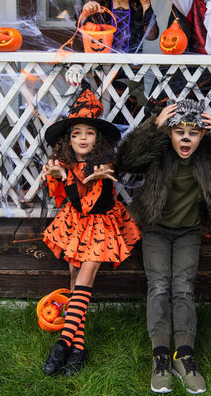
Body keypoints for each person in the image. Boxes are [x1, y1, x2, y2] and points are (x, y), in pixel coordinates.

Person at [116, 98, 211, 395]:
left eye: (192, 133)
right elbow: (126, 160)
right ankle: (161, 356)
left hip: (188, 231)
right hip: (155, 228)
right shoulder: (159, 150)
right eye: (179, 132)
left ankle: (185, 354)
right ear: (170, 134)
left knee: (183, 286)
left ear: (201, 135)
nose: (185, 139)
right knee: (159, 286)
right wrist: (152, 128)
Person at [41, 84, 141, 377]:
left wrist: (73, 177)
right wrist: (60, 176)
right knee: (74, 275)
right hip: (76, 224)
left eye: (89, 133)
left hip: (102, 224)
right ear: (68, 140)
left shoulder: (105, 162)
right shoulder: (65, 164)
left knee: (87, 272)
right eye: (76, 134)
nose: (82, 138)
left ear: (97, 139)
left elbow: (92, 202)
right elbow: (66, 199)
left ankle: (62, 342)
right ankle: (78, 346)